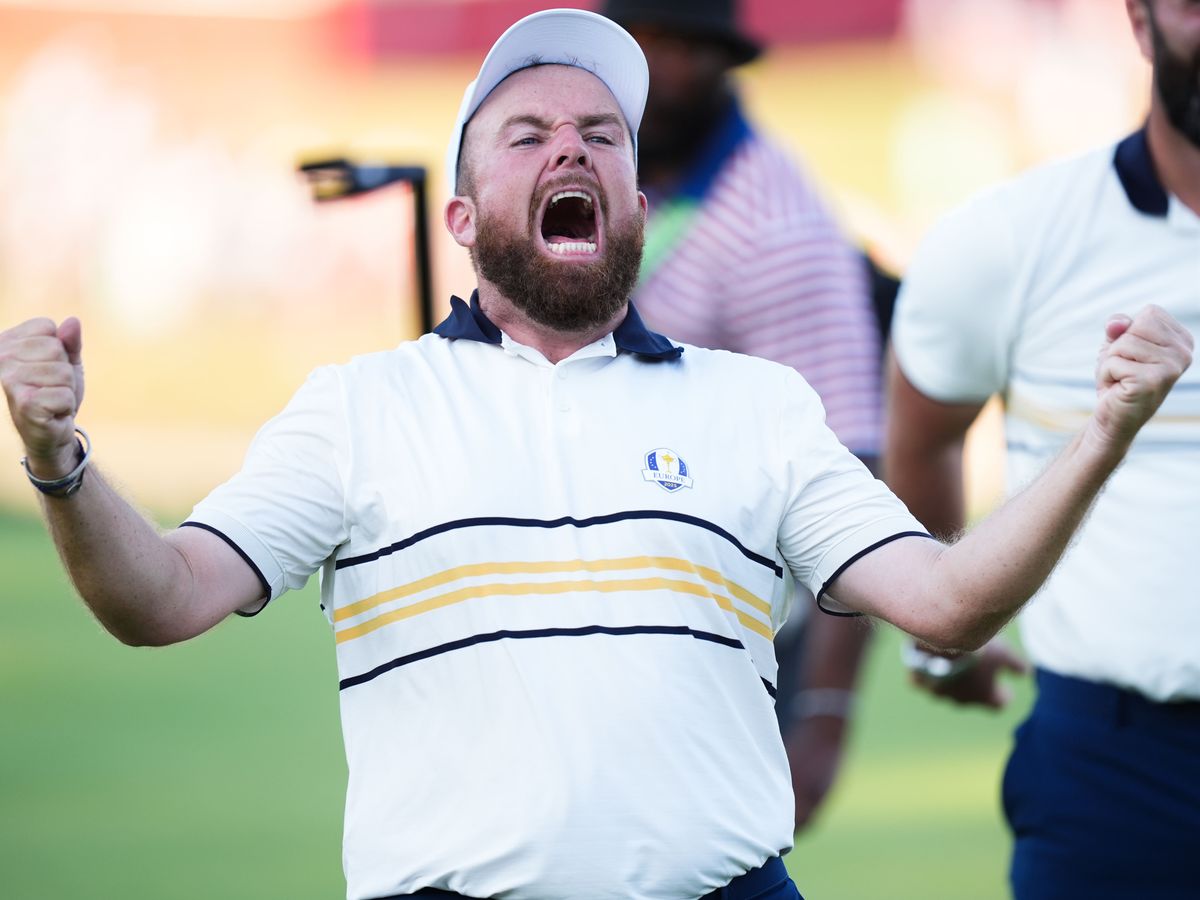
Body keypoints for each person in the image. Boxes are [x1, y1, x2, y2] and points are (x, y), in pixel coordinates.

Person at [0, 8, 1191, 900]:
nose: (570, 150)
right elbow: (163, 599)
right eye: (527, 135)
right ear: (462, 217)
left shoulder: (757, 408)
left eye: (601, 135)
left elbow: (947, 602)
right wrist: (60, 461)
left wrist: (1101, 437)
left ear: (634, 201)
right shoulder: (359, 408)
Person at [885, 1, 1200, 897]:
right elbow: (926, 438)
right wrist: (943, 635)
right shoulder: (1010, 237)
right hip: (1116, 767)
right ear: (1139, 21)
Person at [598, 0, 885, 831]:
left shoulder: (773, 224)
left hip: (720, 637)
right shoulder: (618, 177)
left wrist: (823, 715)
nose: (655, 74)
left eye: (682, 48)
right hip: (611, 608)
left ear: (721, 60)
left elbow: (850, 472)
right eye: (639, 44)